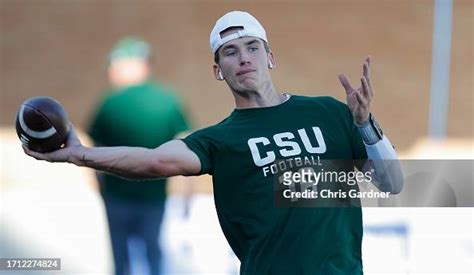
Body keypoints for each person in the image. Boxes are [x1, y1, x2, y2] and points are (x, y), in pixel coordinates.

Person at [23, 11, 403, 275]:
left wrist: (366, 125)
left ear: (270, 57)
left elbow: (393, 183)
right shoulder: (219, 139)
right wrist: (78, 154)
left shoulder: (330, 113)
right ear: (217, 71)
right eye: (230, 52)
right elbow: (154, 162)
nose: (244, 58)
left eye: (252, 47)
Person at [88, 37, 191, 275]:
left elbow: (94, 152)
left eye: (116, 64)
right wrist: (187, 193)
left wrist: (102, 186)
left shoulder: (110, 103)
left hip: (117, 197)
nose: (112, 71)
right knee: (153, 255)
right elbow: (185, 146)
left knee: (120, 259)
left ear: (136, 64)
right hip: (154, 198)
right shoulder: (168, 100)